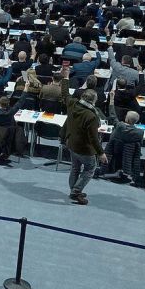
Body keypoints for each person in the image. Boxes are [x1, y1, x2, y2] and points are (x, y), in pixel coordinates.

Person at [59, 67, 106, 205]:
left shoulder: (73, 103)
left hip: (71, 143)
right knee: (90, 169)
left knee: (75, 168)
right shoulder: (91, 116)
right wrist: (101, 153)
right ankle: (76, 192)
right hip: (84, 148)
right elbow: (93, 138)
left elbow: (65, 93)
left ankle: (73, 189)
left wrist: (66, 77)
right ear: (93, 101)